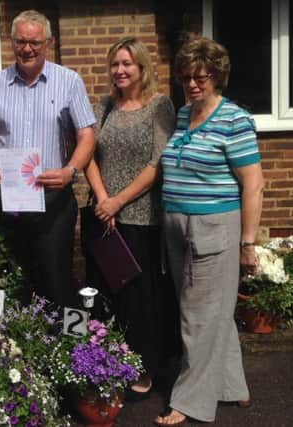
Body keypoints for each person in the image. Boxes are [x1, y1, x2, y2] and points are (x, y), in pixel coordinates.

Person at [154, 37, 264, 426]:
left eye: (200, 77)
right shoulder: (183, 116)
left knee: (198, 317)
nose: (192, 84)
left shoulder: (234, 119)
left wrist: (247, 243)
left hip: (213, 226)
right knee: (209, 311)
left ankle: (190, 402)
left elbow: (253, 184)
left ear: (217, 77)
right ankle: (233, 387)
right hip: (177, 227)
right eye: (186, 77)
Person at [0, 9, 96, 308]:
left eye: (35, 42)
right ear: (12, 42)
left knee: (56, 279)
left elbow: (87, 136)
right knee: (13, 279)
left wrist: (70, 171)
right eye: (21, 41)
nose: (27, 48)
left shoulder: (69, 81)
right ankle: (15, 349)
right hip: (9, 199)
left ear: (48, 43)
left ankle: (62, 350)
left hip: (53, 198)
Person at [84, 37, 180, 402]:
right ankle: (108, 363)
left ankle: (144, 366)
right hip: (104, 217)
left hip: (142, 218)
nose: (120, 70)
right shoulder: (103, 107)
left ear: (142, 68)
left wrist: (119, 201)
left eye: (127, 64)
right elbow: (86, 155)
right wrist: (104, 200)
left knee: (141, 299)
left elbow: (158, 163)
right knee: (107, 296)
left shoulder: (159, 106)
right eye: (115, 64)